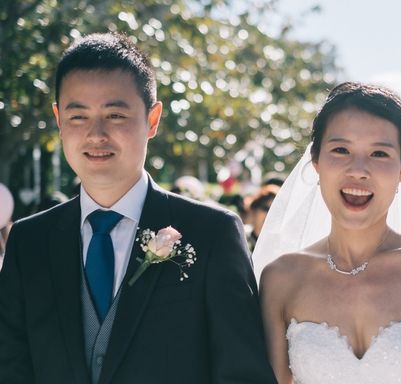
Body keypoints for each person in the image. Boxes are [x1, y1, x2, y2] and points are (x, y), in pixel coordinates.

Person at [0, 33, 276, 384]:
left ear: (152, 118)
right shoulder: (29, 241)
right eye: (78, 116)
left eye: (115, 115)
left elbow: (243, 374)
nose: (96, 134)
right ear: (58, 118)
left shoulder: (212, 234)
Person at [255, 82, 401, 384]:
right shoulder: (281, 278)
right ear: (316, 162)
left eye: (379, 154)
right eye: (341, 150)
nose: (358, 170)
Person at [245, 185, 279, 252]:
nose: (270, 215)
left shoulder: (280, 248)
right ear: (254, 209)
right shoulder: (240, 238)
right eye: (266, 209)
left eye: (275, 211)